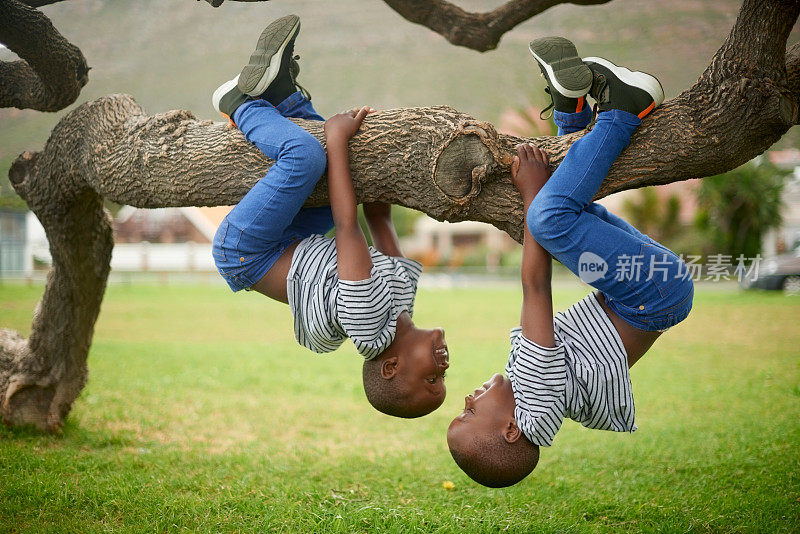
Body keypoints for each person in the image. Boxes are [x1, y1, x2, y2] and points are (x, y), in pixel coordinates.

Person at [446, 37, 694, 487]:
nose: (467, 397)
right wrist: (530, 197)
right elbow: (536, 287)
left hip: (639, 294)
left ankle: (573, 109)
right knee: (549, 218)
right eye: (468, 412)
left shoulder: (529, 395)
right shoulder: (536, 399)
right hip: (649, 294)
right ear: (510, 430)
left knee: (567, 208)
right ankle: (624, 110)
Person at [211, 15, 449, 418]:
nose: (444, 370)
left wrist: (338, 140)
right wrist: (380, 169)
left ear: (391, 368)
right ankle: (282, 95)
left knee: (306, 156)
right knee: (337, 170)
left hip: (247, 253)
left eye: (432, 381)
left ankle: (240, 104)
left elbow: (347, 227)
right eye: (444, 380)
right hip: (294, 240)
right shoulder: (404, 306)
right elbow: (379, 221)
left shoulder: (368, 322)